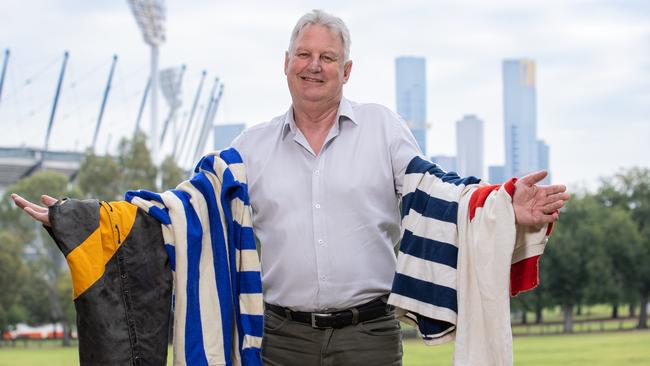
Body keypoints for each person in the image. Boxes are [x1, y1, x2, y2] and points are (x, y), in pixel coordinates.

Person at [13, 9, 569, 366]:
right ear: (285, 65)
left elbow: (436, 190)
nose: (314, 66)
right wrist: (79, 215)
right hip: (278, 341)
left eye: (328, 57)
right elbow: (177, 211)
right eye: (304, 55)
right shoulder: (249, 147)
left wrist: (502, 203)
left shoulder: (383, 128)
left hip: (367, 336)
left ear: (346, 71)